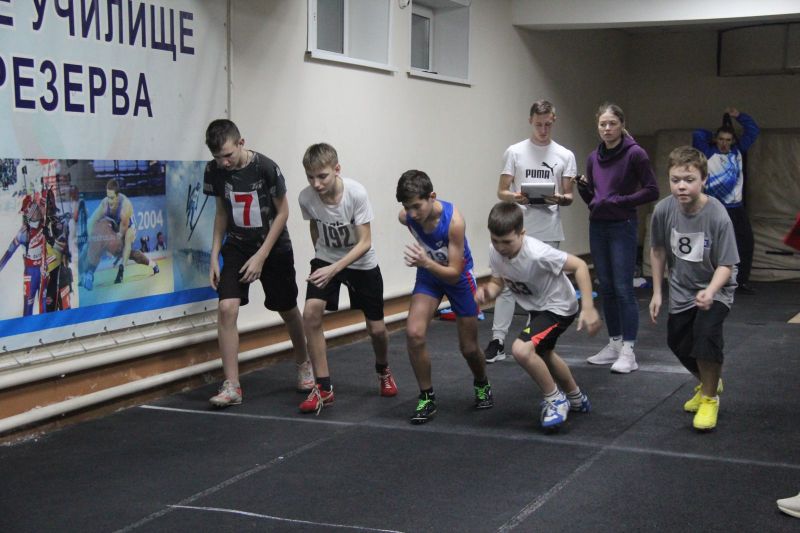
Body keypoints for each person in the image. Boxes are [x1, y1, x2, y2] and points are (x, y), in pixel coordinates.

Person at [203, 119, 312, 407]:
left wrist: (261, 256)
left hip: (273, 247)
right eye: (217, 157)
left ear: (241, 143)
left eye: (228, 155)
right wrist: (214, 255)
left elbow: (283, 213)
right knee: (226, 307)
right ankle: (232, 385)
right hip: (238, 246)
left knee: (287, 309)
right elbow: (221, 213)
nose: (224, 162)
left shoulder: (266, 168)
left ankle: (304, 363)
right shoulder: (214, 171)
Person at [476, 202, 601, 431]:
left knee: (521, 350)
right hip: (538, 308)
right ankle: (576, 397)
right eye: (496, 240)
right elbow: (497, 281)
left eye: (507, 242)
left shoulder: (537, 253)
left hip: (558, 307)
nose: (501, 247)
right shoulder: (495, 251)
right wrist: (488, 292)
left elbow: (580, 266)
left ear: (522, 233)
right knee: (544, 354)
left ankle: (555, 399)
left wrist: (589, 307)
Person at [297, 143, 398, 414]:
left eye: (322, 176)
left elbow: (365, 242)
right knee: (311, 314)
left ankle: (383, 369)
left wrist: (334, 268)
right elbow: (315, 225)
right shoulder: (306, 198)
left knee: (377, 330)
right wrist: (321, 257)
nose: (316, 184)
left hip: (362, 262)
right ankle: (323, 387)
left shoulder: (356, 194)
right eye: (310, 177)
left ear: (337, 170)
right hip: (327, 259)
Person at [649, 146, 738, 431]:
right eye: (675, 180)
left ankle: (710, 398)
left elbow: (727, 265)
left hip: (716, 287)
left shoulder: (718, 215)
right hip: (681, 289)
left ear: (703, 180)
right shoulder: (663, 210)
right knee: (677, 342)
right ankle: (709, 380)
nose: (681, 186)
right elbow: (658, 250)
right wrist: (657, 292)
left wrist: (710, 291)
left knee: (705, 336)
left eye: (689, 180)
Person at [396, 170, 493, 425]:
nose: (412, 213)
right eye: (407, 207)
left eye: (417, 206)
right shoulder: (406, 217)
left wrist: (426, 261)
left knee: (468, 348)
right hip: (429, 275)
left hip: (458, 278)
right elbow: (408, 218)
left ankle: (482, 382)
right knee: (414, 334)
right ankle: (426, 396)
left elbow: (453, 273)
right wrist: (427, 264)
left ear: (432, 197)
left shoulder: (454, 222)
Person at [485, 100, 577, 364]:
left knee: (540, 287)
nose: (543, 130)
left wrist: (558, 198)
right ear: (530, 121)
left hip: (548, 227)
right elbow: (501, 191)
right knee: (506, 283)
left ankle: (531, 340)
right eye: (538, 125)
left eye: (547, 124)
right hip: (518, 226)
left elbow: (569, 196)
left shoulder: (565, 155)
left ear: (553, 121)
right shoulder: (515, 152)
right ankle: (498, 340)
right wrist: (515, 196)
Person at [575, 102, 659, 373]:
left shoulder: (635, 154)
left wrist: (621, 201)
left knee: (624, 288)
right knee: (607, 287)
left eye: (612, 123)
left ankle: (628, 351)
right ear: (597, 127)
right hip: (598, 225)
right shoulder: (593, 158)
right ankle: (614, 343)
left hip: (623, 225)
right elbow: (595, 200)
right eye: (603, 124)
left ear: (622, 125)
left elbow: (652, 190)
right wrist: (584, 190)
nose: (607, 129)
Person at [692, 108, 760, 294]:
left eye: (728, 140)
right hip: (714, 208)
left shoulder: (737, 151)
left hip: (736, 208)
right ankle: (710, 283)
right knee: (713, 247)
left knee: (745, 244)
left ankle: (741, 282)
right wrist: (711, 136)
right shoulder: (707, 153)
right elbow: (697, 134)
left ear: (733, 141)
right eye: (721, 139)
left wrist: (738, 116)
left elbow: (753, 130)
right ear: (716, 139)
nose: (724, 143)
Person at [79, 178, 159, 290]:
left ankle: (150, 265)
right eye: (108, 197)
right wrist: (91, 242)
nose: (109, 201)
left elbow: (123, 239)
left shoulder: (125, 208)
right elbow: (91, 222)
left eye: (112, 198)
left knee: (130, 252)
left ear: (117, 196)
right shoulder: (104, 204)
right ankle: (89, 273)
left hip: (128, 227)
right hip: (115, 225)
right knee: (97, 238)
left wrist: (121, 267)